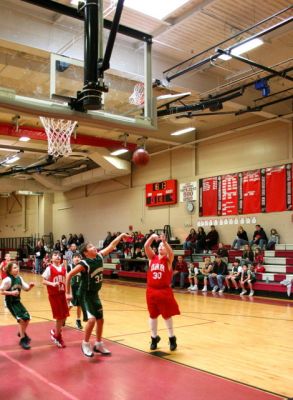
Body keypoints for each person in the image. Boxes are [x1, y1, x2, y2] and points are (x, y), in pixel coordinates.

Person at [66, 233, 129, 358]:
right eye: (90, 247)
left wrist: (121, 236)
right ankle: (85, 343)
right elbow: (68, 275)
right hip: (84, 294)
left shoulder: (99, 257)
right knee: (92, 320)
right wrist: (67, 293)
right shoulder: (84, 264)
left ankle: (99, 344)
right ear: (85, 253)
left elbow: (111, 246)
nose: (94, 247)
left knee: (100, 319)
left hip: (95, 294)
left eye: (93, 246)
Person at [144, 233, 180, 352]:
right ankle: (154, 338)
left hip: (164, 291)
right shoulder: (152, 258)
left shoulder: (168, 260)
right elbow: (146, 246)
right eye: (159, 246)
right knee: (152, 316)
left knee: (166, 315)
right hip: (151, 291)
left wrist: (164, 242)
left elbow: (171, 252)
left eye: (163, 246)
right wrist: (151, 238)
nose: (161, 247)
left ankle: (172, 338)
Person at [0, 262, 34, 350]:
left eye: (17, 267)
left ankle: (21, 332)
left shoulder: (19, 278)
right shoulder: (7, 280)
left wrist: (30, 287)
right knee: (21, 320)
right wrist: (11, 292)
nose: (17, 269)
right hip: (10, 303)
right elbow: (1, 291)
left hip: (17, 302)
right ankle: (22, 339)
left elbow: (26, 289)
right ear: (10, 271)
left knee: (27, 318)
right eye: (14, 268)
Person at [42, 250, 69, 348]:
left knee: (65, 316)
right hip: (54, 295)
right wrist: (52, 283)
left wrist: (68, 292)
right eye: (55, 255)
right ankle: (58, 337)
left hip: (62, 295)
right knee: (59, 317)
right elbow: (43, 281)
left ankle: (55, 331)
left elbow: (67, 280)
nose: (57, 256)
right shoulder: (50, 268)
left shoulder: (63, 269)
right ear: (51, 258)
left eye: (59, 255)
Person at [67, 252, 87, 330]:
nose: (77, 258)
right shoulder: (70, 266)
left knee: (79, 305)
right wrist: (68, 291)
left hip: (80, 289)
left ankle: (78, 320)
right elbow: (67, 278)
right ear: (72, 259)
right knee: (70, 305)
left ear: (81, 258)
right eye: (75, 257)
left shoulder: (82, 267)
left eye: (78, 257)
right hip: (72, 289)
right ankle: (64, 317)